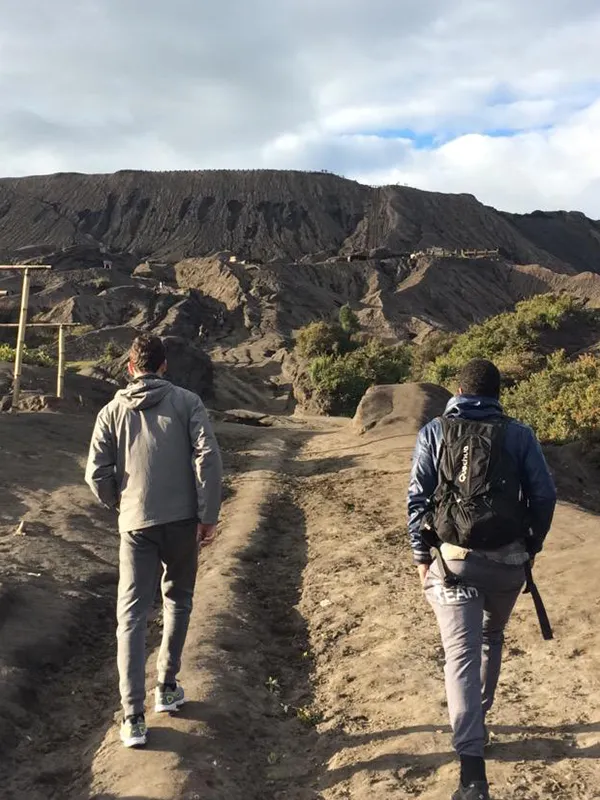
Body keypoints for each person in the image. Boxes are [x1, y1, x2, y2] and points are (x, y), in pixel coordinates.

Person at [407, 359, 556, 800]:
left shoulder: (434, 431)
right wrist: (532, 547)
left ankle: (472, 772)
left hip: (453, 562)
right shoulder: (520, 433)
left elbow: (417, 496)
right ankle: (481, 719)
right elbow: (544, 494)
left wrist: (421, 555)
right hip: (508, 563)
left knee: (460, 656)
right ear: (497, 393)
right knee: (492, 637)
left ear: (458, 390)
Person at [85, 334, 223, 748]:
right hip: (182, 521)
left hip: (135, 525)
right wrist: (208, 515)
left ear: (131, 368)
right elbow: (208, 457)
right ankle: (166, 686)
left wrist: (120, 504)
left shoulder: (111, 412)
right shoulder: (187, 402)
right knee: (178, 599)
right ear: (163, 366)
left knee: (130, 615)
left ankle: (132, 716)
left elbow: (96, 474)